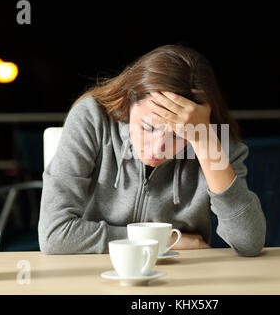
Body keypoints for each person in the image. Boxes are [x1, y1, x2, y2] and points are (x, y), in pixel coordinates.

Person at [38, 44, 266, 256]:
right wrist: (162, 241)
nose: (157, 149)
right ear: (129, 101)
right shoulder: (92, 118)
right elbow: (54, 234)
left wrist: (204, 140)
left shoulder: (212, 138)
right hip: (98, 271)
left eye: (178, 135)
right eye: (147, 127)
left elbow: (249, 242)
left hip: (184, 277)